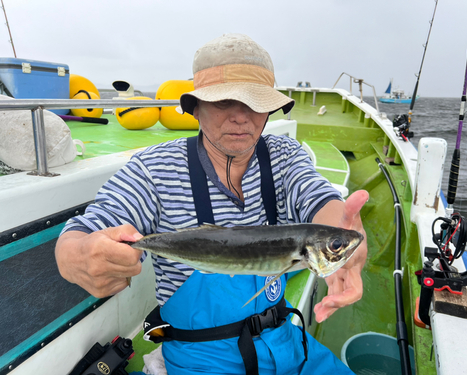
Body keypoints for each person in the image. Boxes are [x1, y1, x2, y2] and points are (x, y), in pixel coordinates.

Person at [55, 33, 368, 375]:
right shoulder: (154, 170)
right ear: (196, 107)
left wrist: (343, 233)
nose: (241, 117)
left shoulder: (284, 156)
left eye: (255, 102)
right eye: (223, 102)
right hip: (201, 358)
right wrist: (79, 256)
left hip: (286, 340)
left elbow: (318, 199)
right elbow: (81, 236)